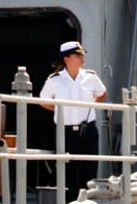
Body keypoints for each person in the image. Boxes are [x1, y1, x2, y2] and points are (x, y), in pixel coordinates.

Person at [39, 41, 108, 200]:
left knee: (89, 174)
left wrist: (91, 105)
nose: (82, 57)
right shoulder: (54, 80)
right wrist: (60, 110)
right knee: (67, 175)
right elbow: (43, 101)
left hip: (88, 131)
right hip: (66, 132)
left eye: (82, 54)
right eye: (78, 54)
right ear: (67, 59)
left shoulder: (91, 77)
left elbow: (102, 93)